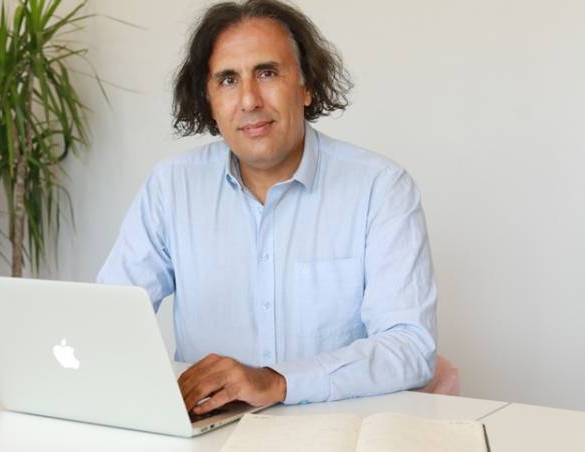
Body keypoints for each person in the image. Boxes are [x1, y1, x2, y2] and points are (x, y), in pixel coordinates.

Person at [97, 0, 437, 416]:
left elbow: (410, 347)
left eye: (267, 73)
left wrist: (277, 381)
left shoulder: (381, 188)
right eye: (228, 80)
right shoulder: (170, 187)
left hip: (335, 428)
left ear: (307, 86)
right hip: (211, 431)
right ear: (208, 100)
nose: (249, 100)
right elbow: (108, 317)